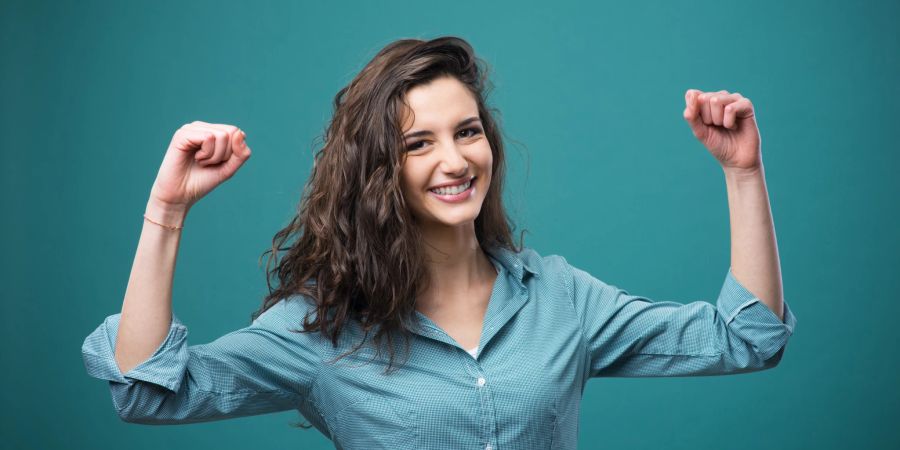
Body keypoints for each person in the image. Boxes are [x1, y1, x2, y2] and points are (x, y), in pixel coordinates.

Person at [82, 36, 797, 449]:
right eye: (418, 143)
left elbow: (748, 338)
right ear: (377, 172)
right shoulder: (322, 330)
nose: (455, 161)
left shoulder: (562, 301)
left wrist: (743, 173)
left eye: (467, 131)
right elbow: (148, 391)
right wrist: (166, 214)